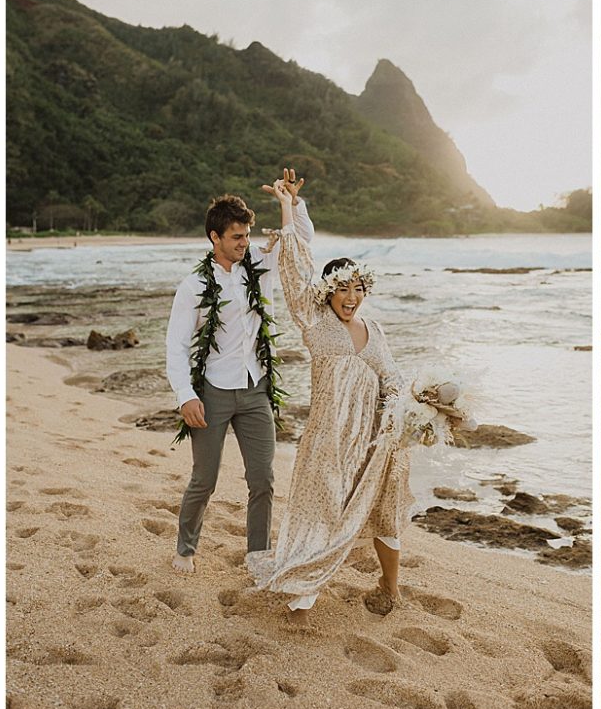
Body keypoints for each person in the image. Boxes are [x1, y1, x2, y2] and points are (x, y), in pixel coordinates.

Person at [245, 174, 455, 620]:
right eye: (343, 288)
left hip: (371, 445)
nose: (352, 297)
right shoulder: (313, 321)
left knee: (385, 514)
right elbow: (295, 265)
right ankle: (303, 595)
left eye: (359, 289)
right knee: (318, 517)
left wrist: (420, 408)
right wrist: (288, 207)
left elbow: (393, 379)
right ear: (326, 292)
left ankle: (391, 588)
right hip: (326, 442)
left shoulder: (374, 332)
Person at [164, 170, 314, 573]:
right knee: (204, 480)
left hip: (255, 389)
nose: (245, 244)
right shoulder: (194, 285)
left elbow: (300, 244)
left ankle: (257, 555)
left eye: (247, 236)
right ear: (215, 238)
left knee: (263, 479)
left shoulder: (258, 266)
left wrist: (293, 204)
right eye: (237, 237)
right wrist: (185, 395)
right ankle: (185, 549)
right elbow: (176, 346)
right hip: (211, 393)